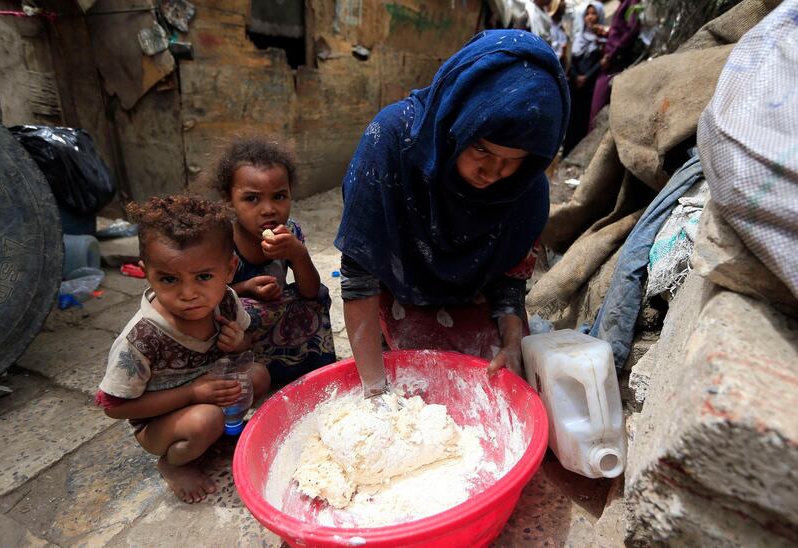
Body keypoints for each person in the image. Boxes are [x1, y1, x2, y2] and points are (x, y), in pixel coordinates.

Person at [335, 30, 570, 398]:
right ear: (455, 126)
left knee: (497, 386)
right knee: (417, 385)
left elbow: (510, 285)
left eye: (512, 162)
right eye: (480, 150)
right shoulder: (393, 142)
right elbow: (359, 278)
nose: (493, 173)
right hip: (402, 291)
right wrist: (375, 393)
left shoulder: (527, 186)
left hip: (477, 293)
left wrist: (511, 346)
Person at [95, 195, 270, 503]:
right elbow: (114, 407)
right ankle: (173, 463)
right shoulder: (140, 338)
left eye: (204, 277)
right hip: (158, 420)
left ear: (230, 269)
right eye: (169, 279)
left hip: (208, 393)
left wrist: (238, 343)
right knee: (206, 420)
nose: (188, 294)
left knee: (258, 375)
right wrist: (192, 393)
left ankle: (222, 434)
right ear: (146, 273)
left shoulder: (225, 300)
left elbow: (247, 343)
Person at [214, 137, 336, 385]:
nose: (268, 209)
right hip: (235, 325)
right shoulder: (220, 241)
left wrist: (298, 254)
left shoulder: (289, 231)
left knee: (319, 296)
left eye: (279, 196)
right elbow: (205, 296)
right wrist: (244, 288)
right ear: (229, 201)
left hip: (275, 315)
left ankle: (301, 364)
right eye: (252, 199)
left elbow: (310, 291)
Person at [563, 1, 607, 155]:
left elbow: (601, 64)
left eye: (594, 13)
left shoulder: (603, 41)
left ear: (600, 15)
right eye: (587, 14)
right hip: (575, 86)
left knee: (583, 122)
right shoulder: (577, 38)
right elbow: (571, 62)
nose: (590, 17)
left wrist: (586, 77)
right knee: (571, 121)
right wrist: (576, 77)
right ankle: (566, 154)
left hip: (589, 88)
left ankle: (577, 155)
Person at [589, 0, 642, 127]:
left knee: (598, 108)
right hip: (610, 61)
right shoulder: (622, 4)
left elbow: (632, 30)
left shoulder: (632, 2)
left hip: (614, 63)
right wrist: (606, 33)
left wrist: (611, 55)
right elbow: (620, 31)